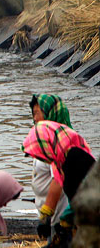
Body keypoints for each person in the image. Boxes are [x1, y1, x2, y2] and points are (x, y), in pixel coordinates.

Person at [22, 120, 96, 241]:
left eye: (41, 154)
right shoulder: (61, 162)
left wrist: (65, 220)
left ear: (46, 146)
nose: (43, 159)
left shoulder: (74, 158)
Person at [29, 94, 71, 237]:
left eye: (37, 113)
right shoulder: (46, 141)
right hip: (54, 219)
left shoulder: (59, 143)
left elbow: (58, 180)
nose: (34, 119)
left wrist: (46, 215)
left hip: (61, 220)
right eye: (33, 114)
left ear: (50, 114)